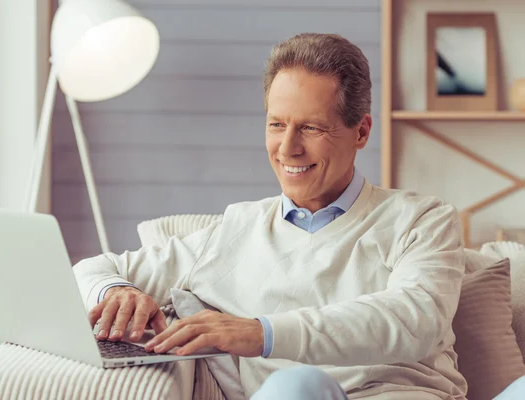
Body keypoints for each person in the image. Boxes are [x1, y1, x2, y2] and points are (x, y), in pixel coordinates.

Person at [72, 33, 525, 399]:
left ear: (361, 130)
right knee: (295, 386)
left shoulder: (420, 219)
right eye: (276, 124)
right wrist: (116, 290)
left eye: (310, 127)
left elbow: (416, 318)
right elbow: (88, 268)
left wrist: (261, 334)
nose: (288, 148)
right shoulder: (234, 230)